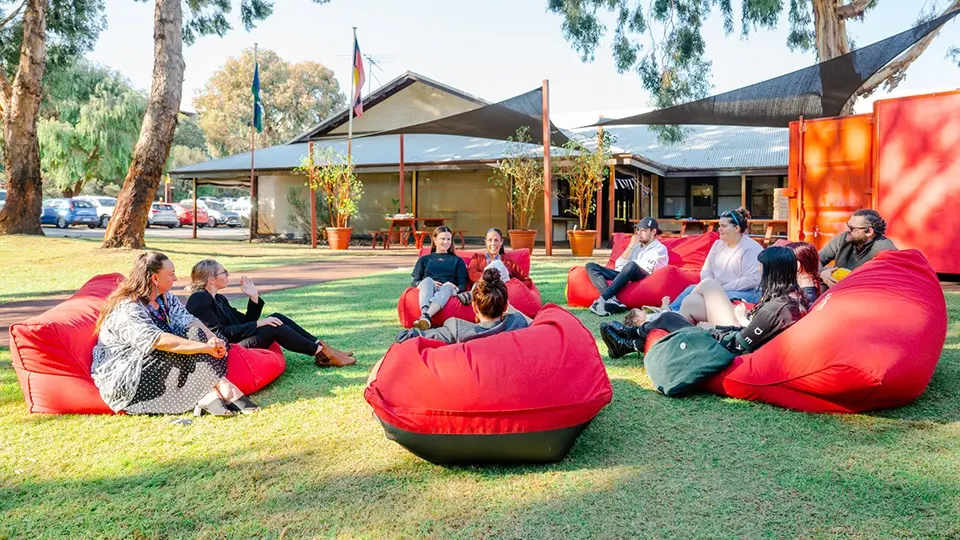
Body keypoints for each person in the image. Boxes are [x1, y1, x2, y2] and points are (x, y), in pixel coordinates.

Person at [92, 252, 258, 417]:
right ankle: (226, 389)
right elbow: (158, 341)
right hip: (129, 372)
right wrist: (205, 348)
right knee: (179, 346)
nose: (176, 278)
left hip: (157, 359)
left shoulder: (165, 298)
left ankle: (209, 396)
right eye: (171, 274)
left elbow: (191, 321)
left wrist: (213, 339)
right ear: (155, 279)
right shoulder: (128, 307)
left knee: (194, 332)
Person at [601, 246, 808, 359]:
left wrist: (713, 329)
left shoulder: (776, 308)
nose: (758, 271)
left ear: (774, 272)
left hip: (725, 345)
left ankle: (631, 337)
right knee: (691, 302)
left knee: (669, 317)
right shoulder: (784, 298)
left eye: (762, 268)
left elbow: (739, 345)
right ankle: (630, 343)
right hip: (732, 332)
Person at [184, 260, 355, 368]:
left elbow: (245, 321)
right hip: (226, 350)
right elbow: (221, 334)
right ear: (211, 279)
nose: (228, 275)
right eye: (224, 272)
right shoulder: (199, 299)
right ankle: (322, 354)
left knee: (277, 317)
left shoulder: (218, 298)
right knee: (272, 328)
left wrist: (253, 297)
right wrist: (260, 324)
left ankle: (324, 348)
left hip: (235, 342)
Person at [396, 268, 530, 344]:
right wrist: (510, 309)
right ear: (506, 305)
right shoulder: (518, 322)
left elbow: (403, 337)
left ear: (474, 307)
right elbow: (540, 324)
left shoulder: (457, 331)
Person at [668, 207, 762, 311]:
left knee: (718, 297)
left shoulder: (751, 248)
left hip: (746, 292)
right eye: (719, 226)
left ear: (736, 228)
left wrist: (719, 288)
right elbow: (706, 269)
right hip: (717, 288)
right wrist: (708, 284)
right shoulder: (717, 244)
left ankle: (684, 315)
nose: (719, 229)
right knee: (691, 289)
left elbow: (752, 280)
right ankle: (667, 312)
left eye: (723, 226)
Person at [586, 217, 669, 316]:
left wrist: (628, 268)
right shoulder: (636, 246)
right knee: (591, 266)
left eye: (644, 230)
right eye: (638, 230)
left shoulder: (659, 248)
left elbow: (647, 269)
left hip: (646, 277)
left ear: (653, 231)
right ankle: (612, 300)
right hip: (627, 273)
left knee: (632, 265)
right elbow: (619, 265)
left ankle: (601, 300)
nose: (639, 233)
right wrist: (630, 245)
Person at [818, 209, 897, 289]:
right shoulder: (843, 238)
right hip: (835, 293)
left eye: (852, 229)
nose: (847, 231)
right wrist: (822, 273)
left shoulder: (886, 251)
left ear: (869, 231)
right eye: (848, 226)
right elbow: (816, 259)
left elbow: (890, 282)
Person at [410, 226, 469, 331]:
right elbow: (414, 282)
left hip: (447, 290)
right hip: (428, 288)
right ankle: (425, 316)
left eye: (448, 239)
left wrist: (455, 289)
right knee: (428, 280)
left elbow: (462, 284)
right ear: (434, 239)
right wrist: (428, 283)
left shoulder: (457, 261)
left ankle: (425, 317)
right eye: (442, 239)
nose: (446, 242)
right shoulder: (424, 259)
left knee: (447, 285)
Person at [459, 227, 534, 303]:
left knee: (498, 263)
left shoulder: (508, 262)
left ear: (501, 242)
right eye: (490, 240)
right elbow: (472, 274)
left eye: (496, 240)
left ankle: (471, 295)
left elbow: (527, 280)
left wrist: (513, 287)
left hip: (499, 290)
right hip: (483, 291)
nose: (493, 243)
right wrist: (489, 278)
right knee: (493, 270)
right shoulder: (477, 258)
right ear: (485, 242)